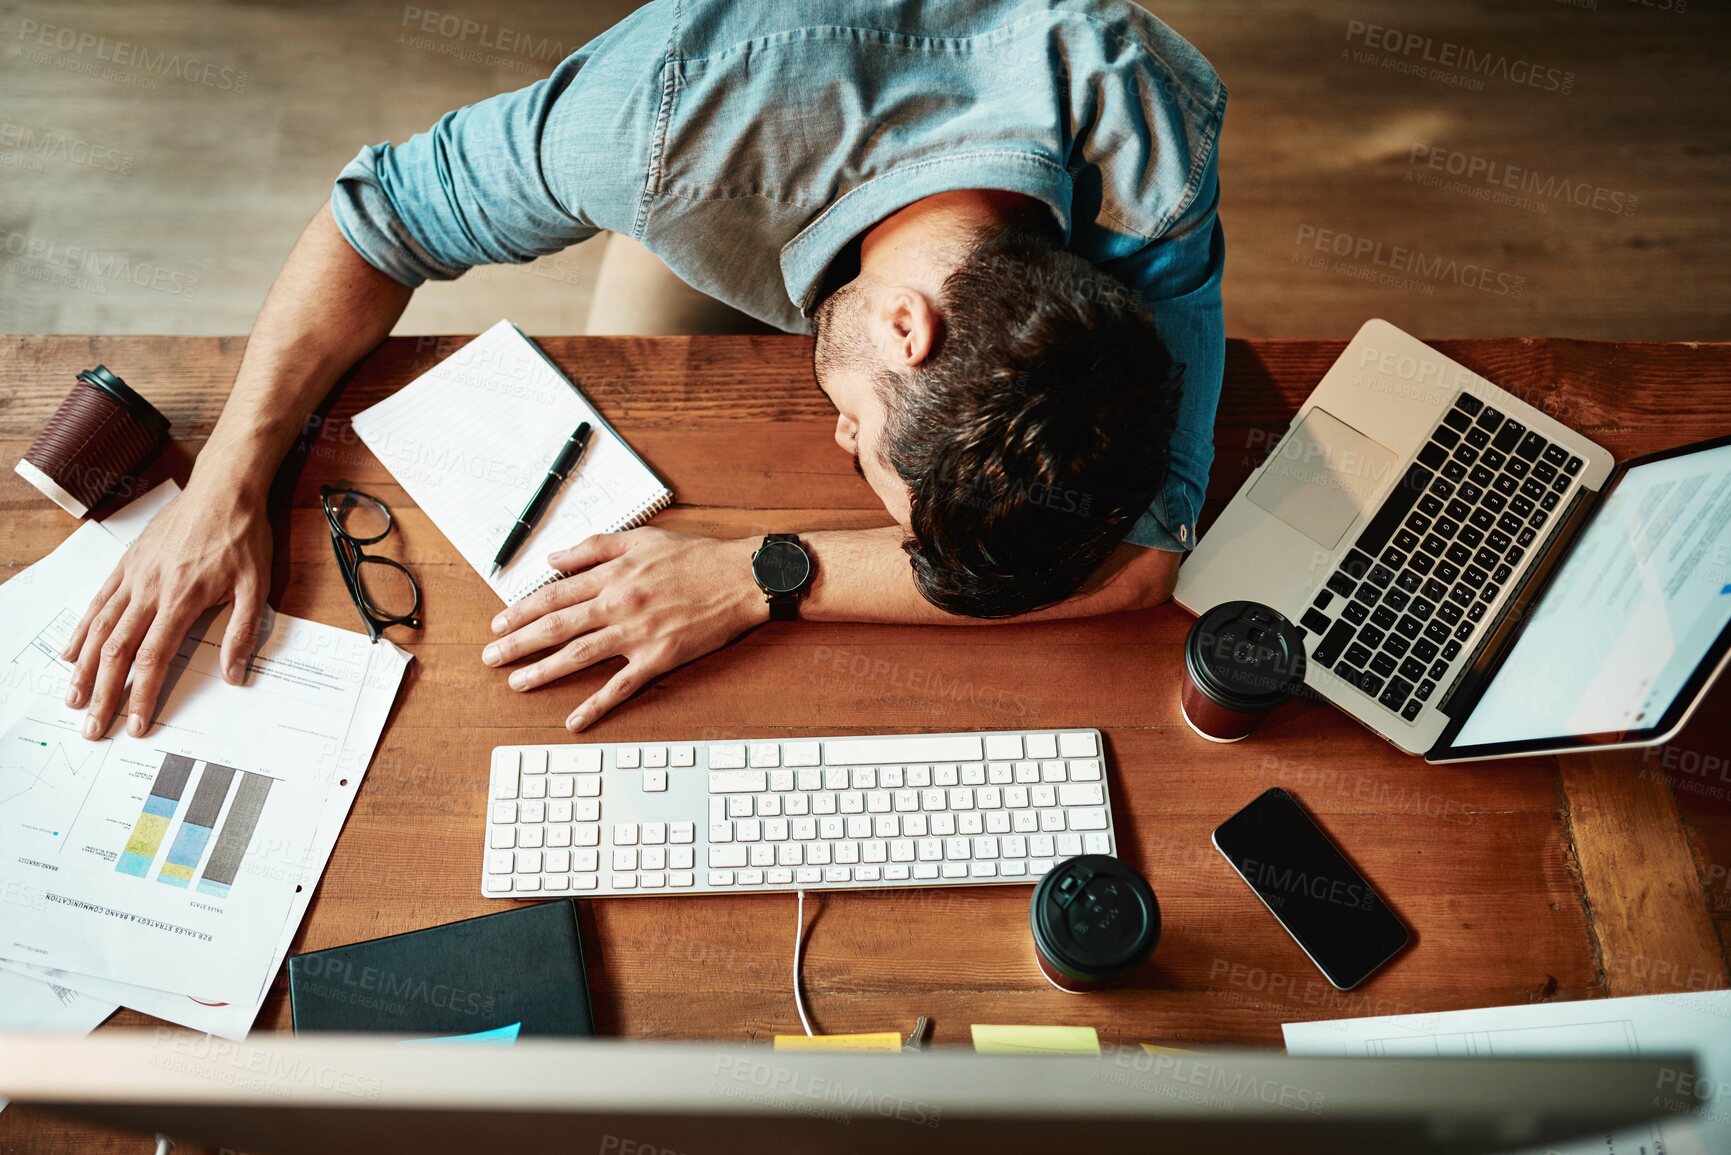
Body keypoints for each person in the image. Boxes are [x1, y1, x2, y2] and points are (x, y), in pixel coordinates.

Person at [63, 0, 1226, 739]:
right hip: (746, 140)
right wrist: (223, 481)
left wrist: (761, 574)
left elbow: (1132, 560)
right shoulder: (650, 130)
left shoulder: (1148, 143)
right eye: (864, 440)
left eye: (863, 451)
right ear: (910, 331)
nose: (836, 444)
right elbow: (376, 221)